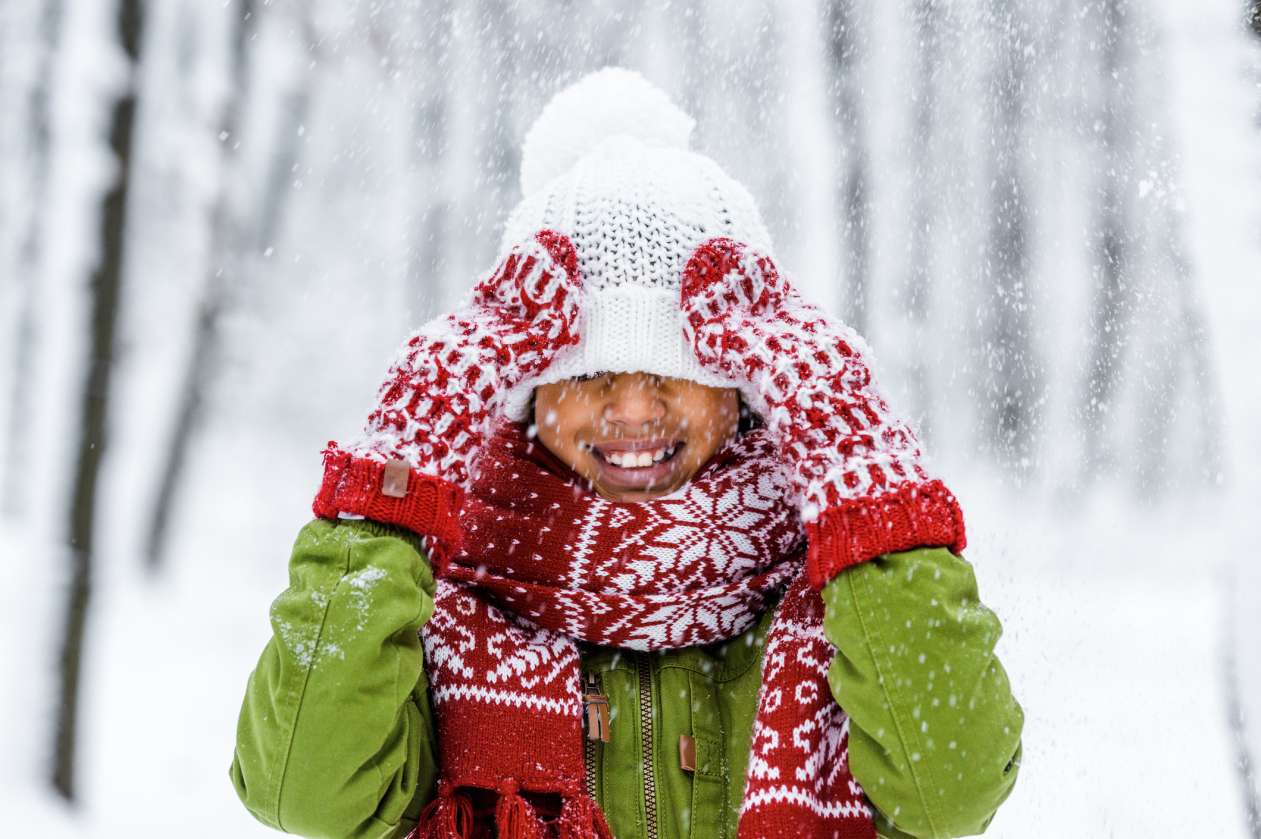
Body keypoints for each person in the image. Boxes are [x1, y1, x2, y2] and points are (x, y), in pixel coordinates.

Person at [229, 67, 1023, 839]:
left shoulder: (841, 598)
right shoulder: (433, 599)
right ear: (528, 392)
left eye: (678, 372)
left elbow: (946, 791)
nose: (636, 408)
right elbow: (303, 788)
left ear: (744, 387)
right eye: (590, 373)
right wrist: (395, 469)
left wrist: (857, 456)